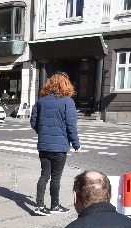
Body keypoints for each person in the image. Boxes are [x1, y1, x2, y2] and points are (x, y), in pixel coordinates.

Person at [30, 72, 81, 216]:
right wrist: (76, 144)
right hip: (60, 146)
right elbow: (71, 126)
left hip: (44, 145)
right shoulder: (68, 102)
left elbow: (33, 121)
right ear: (66, 85)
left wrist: (42, 132)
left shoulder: (41, 101)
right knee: (56, 177)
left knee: (44, 175)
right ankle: (54, 205)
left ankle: (39, 206)